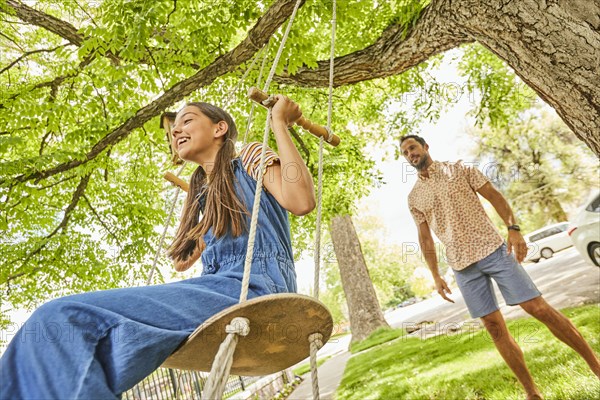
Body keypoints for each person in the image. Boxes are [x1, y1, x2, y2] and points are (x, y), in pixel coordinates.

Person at [0, 96, 316, 399]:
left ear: (219, 128)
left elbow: (300, 201)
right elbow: (181, 261)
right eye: (174, 128)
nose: (176, 130)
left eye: (187, 121)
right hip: (219, 289)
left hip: (255, 287)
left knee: (62, 318)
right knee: (92, 344)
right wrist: (199, 217)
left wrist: (279, 123)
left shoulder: (247, 158)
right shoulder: (204, 193)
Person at [399, 134, 600, 400]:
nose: (410, 153)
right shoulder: (414, 197)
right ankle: (532, 393)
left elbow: (495, 197)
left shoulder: (460, 169)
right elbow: (424, 238)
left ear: (426, 147)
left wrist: (513, 229)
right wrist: (435, 275)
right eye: (404, 152)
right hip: (462, 267)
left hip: (494, 251)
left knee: (538, 308)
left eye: (412, 147)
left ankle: (596, 368)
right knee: (494, 329)